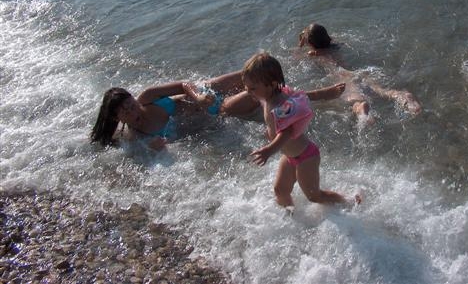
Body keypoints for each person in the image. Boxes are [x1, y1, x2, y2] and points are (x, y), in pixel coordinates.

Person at [90, 71, 345, 150]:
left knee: (254, 74)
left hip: (207, 92)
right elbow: (161, 151)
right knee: (258, 94)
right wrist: (157, 148)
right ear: (116, 117)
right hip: (217, 111)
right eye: (125, 112)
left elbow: (182, 85)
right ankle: (314, 95)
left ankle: (304, 92)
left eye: (130, 104)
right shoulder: (137, 136)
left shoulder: (146, 97)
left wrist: (198, 96)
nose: (132, 111)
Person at [242, 52, 358, 208]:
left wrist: (269, 150)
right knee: (280, 191)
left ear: (272, 84)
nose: (248, 91)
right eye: (246, 87)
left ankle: (350, 201)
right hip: (290, 156)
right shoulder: (269, 97)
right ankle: (290, 215)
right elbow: (302, 96)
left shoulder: (280, 106)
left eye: (252, 88)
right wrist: (325, 93)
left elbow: (286, 133)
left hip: (305, 157)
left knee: (314, 196)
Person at [298, 23, 422, 121]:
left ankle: (361, 109)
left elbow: (297, 55)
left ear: (310, 43)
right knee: (383, 91)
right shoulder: (335, 45)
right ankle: (402, 96)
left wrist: (300, 44)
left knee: (354, 101)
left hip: (342, 77)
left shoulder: (313, 53)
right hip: (356, 73)